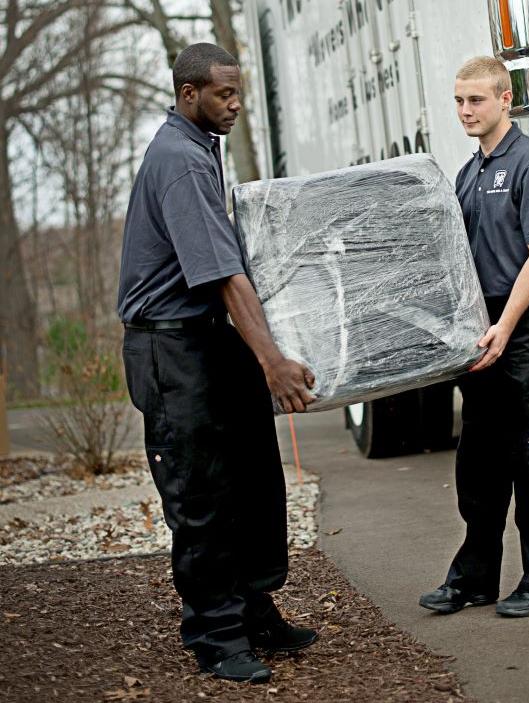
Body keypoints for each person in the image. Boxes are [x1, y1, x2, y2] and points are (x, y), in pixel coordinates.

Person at [117, 43, 318, 683]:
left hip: (205, 335)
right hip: (169, 345)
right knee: (201, 492)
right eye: (223, 95)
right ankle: (215, 635)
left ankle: (253, 609)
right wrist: (273, 362)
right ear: (188, 94)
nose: (235, 105)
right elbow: (223, 274)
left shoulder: (202, 146)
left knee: (253, 478)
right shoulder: (178, 159)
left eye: (238, 93)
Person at [419, 56, 529, 618]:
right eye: (459, 101)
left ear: (506, 100)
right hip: (481, 327)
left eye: (477, 100)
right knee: (479, 462)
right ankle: (475, 578)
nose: (466, 111)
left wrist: (505, 328)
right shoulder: (468, 174)